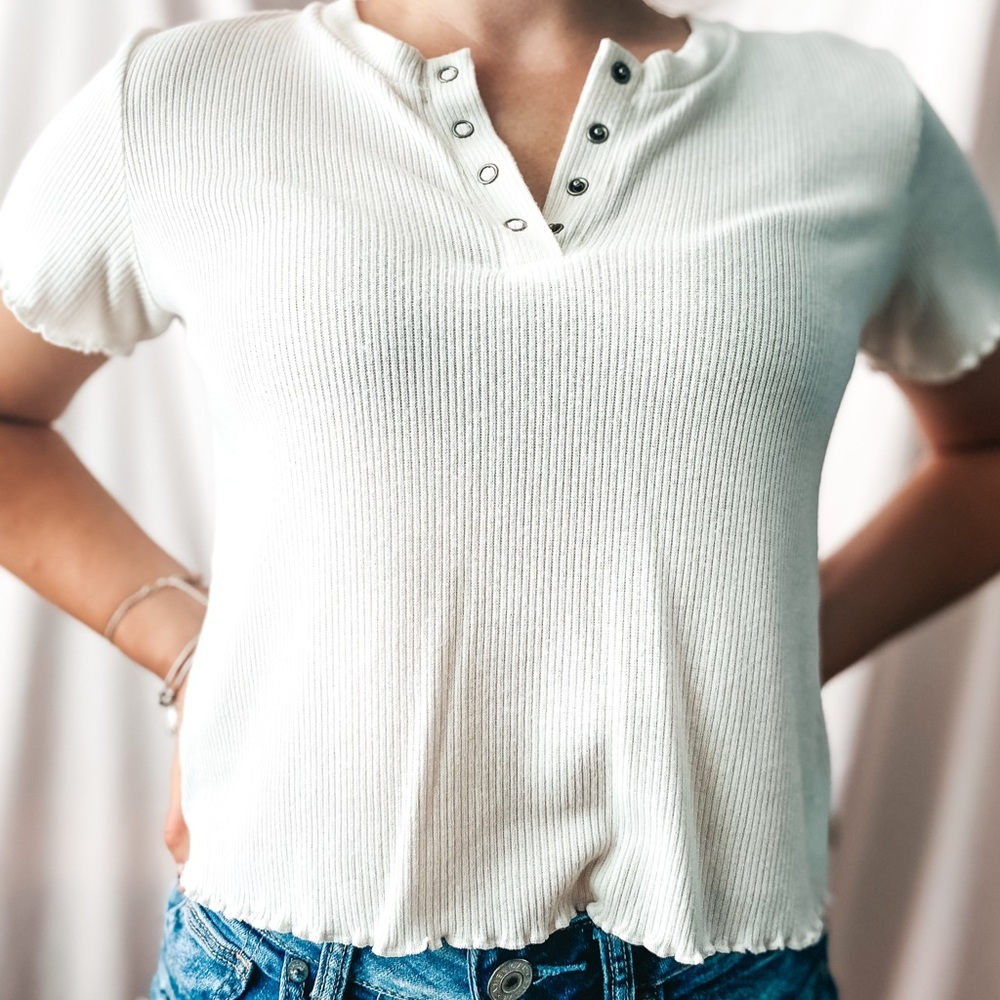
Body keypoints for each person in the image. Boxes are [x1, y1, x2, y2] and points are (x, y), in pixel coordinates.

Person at [1, 0, 999, 995]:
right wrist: (190, 648)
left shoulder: (857, 120)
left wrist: (770, 647)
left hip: (719, 964)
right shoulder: (181, 99)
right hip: (291, 956)